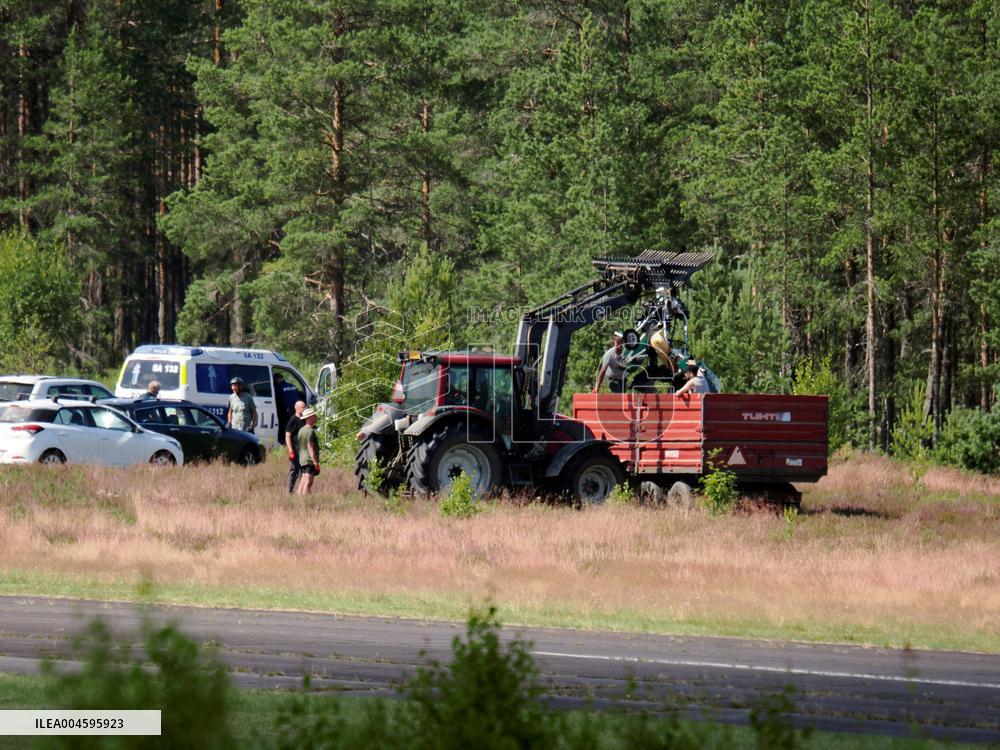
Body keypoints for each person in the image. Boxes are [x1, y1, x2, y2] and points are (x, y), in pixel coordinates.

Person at [274, 372, 304, 444]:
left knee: (287, 427)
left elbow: (276, 400)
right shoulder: (292, 385)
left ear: (277, 379)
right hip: (297, 409)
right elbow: (300, 395)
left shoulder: (278, 388)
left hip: (286, 411)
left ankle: (285, 442)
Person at [296, 408, 321, 495]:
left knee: (303, 481)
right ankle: (306, 502)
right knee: (308, 482)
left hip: (302, 460)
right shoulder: (310, 431)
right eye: (314, 416)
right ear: (310, 417)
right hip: (309, 460)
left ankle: (298, 498)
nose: (316, 418)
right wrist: (315, 462)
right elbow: (310, 447)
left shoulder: (301, 430)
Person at [284, 400, 306, 494]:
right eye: (303, 407)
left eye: (305, 407)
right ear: (296, 408)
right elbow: (288, 435)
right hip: (295, 449)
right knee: (294, 470)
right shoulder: (293, 420)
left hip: (303, 450)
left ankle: (301, 491)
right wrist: (290, 450)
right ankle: (289, 490)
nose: (304, 409)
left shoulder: (305, 419)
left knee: (304, 471)